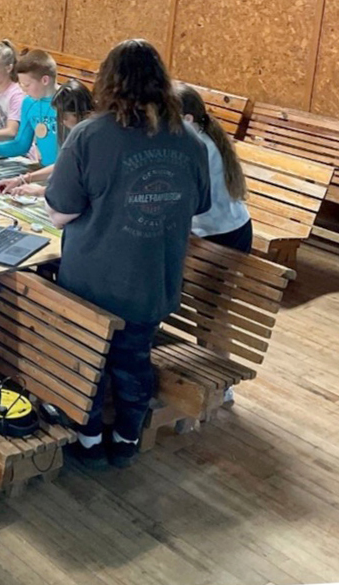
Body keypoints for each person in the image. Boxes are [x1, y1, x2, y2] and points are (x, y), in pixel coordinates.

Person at [45, 40, 210, 469]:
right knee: (134, 360)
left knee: (89, 364)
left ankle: (87, 442)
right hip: (153, 276)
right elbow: (200, 206)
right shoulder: (191, 140)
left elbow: (60, 212)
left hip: (93, 279)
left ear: (107, 83)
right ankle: (126, 438)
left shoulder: (89, 134)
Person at [176, 84, 252, 252]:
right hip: (211, 229)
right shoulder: (197, 138)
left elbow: (189, 200)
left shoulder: (202, 148)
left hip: (224, 234)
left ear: (187, 119)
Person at [0, 50, 60, 189]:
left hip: (65, 174)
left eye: (27, 85)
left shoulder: (67, 103)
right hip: (43, 171)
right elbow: (21, 143)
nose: (23, 90)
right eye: (21, 85)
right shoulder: (29, 102)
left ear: (45, 80)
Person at [0, 79, 94, 199]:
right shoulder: (81, 131)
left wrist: (41, 191)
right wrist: (22, 179)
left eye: (64, 116)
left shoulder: (94, 138)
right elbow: (63, 165)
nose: (62, 122)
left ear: (80, 113)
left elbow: (82, 188)